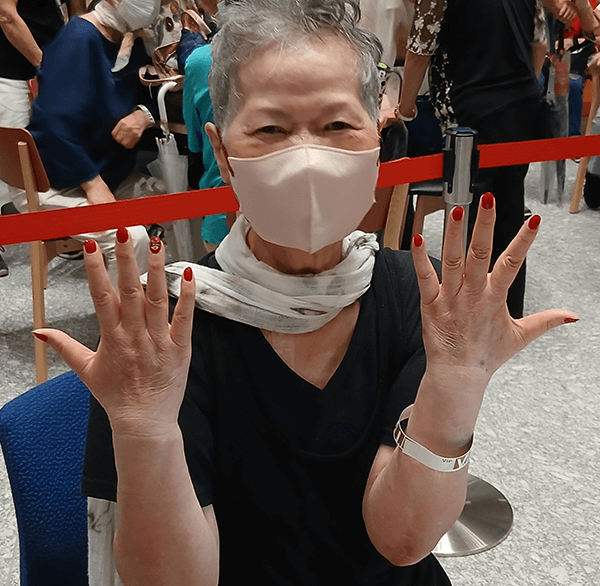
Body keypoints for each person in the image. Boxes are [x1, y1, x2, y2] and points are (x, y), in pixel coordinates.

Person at [35, 1, 577, 584]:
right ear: (222, 153)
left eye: (337, 126)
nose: (307, 157)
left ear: (377, 143)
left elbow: (402, 540)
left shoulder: (420, 300)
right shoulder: (163, 331)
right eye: (270, 130)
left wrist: (456, 387)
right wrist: (144, 431)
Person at [398, 0, 577, 319]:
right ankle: (508, 310)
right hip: (519, 102)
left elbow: (419, 52)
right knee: (509, 206)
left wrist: (405, 109)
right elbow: (539, 44)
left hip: (468, 107)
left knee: (468, 212)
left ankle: (466, 315)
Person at [6, 0, 165, 286]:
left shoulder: (128, 40)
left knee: (176, 202)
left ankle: (164, 303)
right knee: (130, 237)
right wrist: (92, 184)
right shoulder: (78, 40)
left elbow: (148, 92)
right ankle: (122, 315)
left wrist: (144, 115)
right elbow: (54, 127)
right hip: (51, 182)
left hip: (102, 171)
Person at [0, 0, 67, 276]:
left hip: (45, 65)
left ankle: (57, 232)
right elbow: (5, 15)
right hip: (9, 71)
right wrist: (44, 63)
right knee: (12, 159)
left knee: (43, 157)